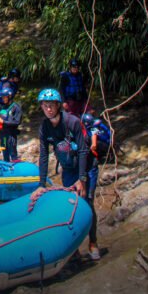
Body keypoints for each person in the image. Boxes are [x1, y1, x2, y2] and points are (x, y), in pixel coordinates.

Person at [33, 89, 100, 261]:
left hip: (86, 167)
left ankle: (93, 243)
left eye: (51, 105)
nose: (48, 109)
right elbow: (44, 155)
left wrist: (82, 180)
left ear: (58, 105)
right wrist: (41, 185)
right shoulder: (45, 127)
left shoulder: (72, 122)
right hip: (68, 169)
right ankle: (75, 248)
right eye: (45, 106)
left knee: (88, 201)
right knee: (71, 204)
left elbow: (84, 151)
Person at [0, 87, 22, 162]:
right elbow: (0, 116)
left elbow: (17, 122)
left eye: (4, 97)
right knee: (5, 154)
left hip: (11, 135)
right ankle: (7, 169)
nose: (3, 99)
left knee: (13, 154)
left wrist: (3, 122)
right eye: (2, 97)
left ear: (9, 96)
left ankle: (15, 169)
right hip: (3, 134)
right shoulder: (4, 107)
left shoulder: (16, 107)